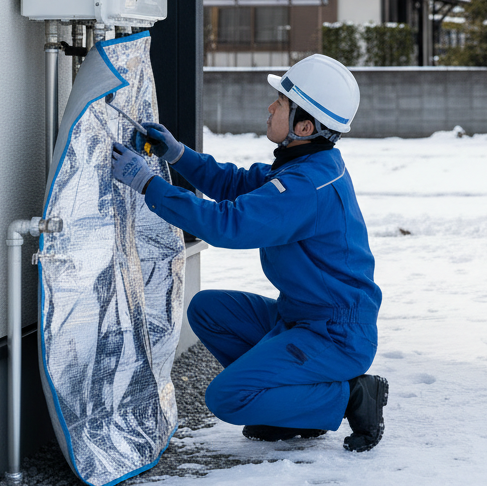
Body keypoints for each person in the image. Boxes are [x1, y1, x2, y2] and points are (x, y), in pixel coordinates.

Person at [109, 53, 388, 452]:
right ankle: (292, 413)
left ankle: (353, 397)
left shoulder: (305, 186)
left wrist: (149, 185)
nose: (270, 107)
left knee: (227, 398)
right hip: (302, 317)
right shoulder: (305, 163)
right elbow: (238, 183)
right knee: (208, 310)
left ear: (304, 126)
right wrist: (177, 154)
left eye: (281, 104)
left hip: (335, 333)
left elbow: (229, 223)